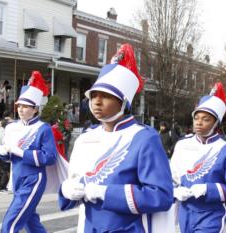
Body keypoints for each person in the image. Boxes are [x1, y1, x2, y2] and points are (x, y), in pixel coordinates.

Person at [59, 44, 174, 233]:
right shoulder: (85, 138)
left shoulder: (144, 138)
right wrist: (66, 190)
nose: (96, 101)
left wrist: (105, 192)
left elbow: (161, 195)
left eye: (106, 96)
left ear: (124, 102)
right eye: (93, 95)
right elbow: (74, 187)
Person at [170, 82, 226, 233]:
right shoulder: (181, 145)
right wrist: (175, 191)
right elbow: (171, 178)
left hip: (212, 215)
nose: (199, 122)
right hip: (186, 213)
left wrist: (208, 189)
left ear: (216, 123)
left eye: (206, 119)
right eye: (196, 118)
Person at [0, 71, 63, 233]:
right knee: (30, 222)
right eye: (19, 105)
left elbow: (50, 157)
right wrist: (2, 151)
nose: (20, 109)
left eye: (25, 106)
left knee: (10, 224)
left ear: (35, 109)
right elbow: (5, 154)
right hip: (17, 177)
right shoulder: (12, 127)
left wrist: (20, 152)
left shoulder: (43, 128)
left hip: (33, 178)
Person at [0, 118, 11, 193]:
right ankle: (2, 188)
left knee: (2, 171)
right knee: (5, 171)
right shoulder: (5, 133)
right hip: (4, 153)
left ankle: (1, 187)